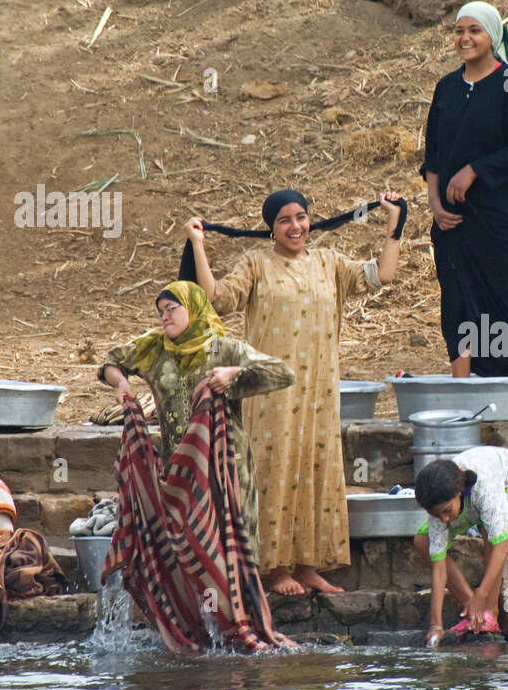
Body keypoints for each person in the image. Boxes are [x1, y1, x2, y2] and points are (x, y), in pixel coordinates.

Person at [185, 190, 403, 596]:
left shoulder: (329, 263)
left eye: (301, 217)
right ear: (272, 228)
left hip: (319, 391)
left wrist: (394, 223)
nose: (296, 227)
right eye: (285, 220)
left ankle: (307, 567)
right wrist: (198, 244)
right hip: (270, 393)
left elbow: (382, 276)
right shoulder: (256, 264)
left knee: (315, 470)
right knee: (274, 471)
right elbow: (216, 298)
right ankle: (275, 569)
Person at [98, 281, 296, 557]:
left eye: (171, 308)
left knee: (230, 551)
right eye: (160, 312)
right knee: (186, 552)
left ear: (193, 308)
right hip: (179, 471)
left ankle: (234, 599)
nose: (165, 316)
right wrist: (120, 382)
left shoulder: (223, 349)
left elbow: (283, 372)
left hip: (225, 468)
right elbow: (111, 361)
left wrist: (233, 374)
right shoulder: (155, 351)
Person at [420, 0, 508, 378]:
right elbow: (434, 152)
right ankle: (463, 384)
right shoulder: (446, 87)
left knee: (500, 293)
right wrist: (434, 203)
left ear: (492, 36)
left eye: (474, 31)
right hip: (453, 220)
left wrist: (475, 170)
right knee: (457, 293)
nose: (465, 38)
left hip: (499, 213)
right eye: (459, 31)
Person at [412, 446, 508, 647]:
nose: (443, 519)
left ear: (458, 493)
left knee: (490, 528)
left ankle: (490, 611)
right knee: (422, 540)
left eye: (446, 511)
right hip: (469, 502)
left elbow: (502, 547)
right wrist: (436, 624)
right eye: (436, 514)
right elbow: (439, 569)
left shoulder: (485, 487)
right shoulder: (440, 503)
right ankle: (473, 610)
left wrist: (482, 594)